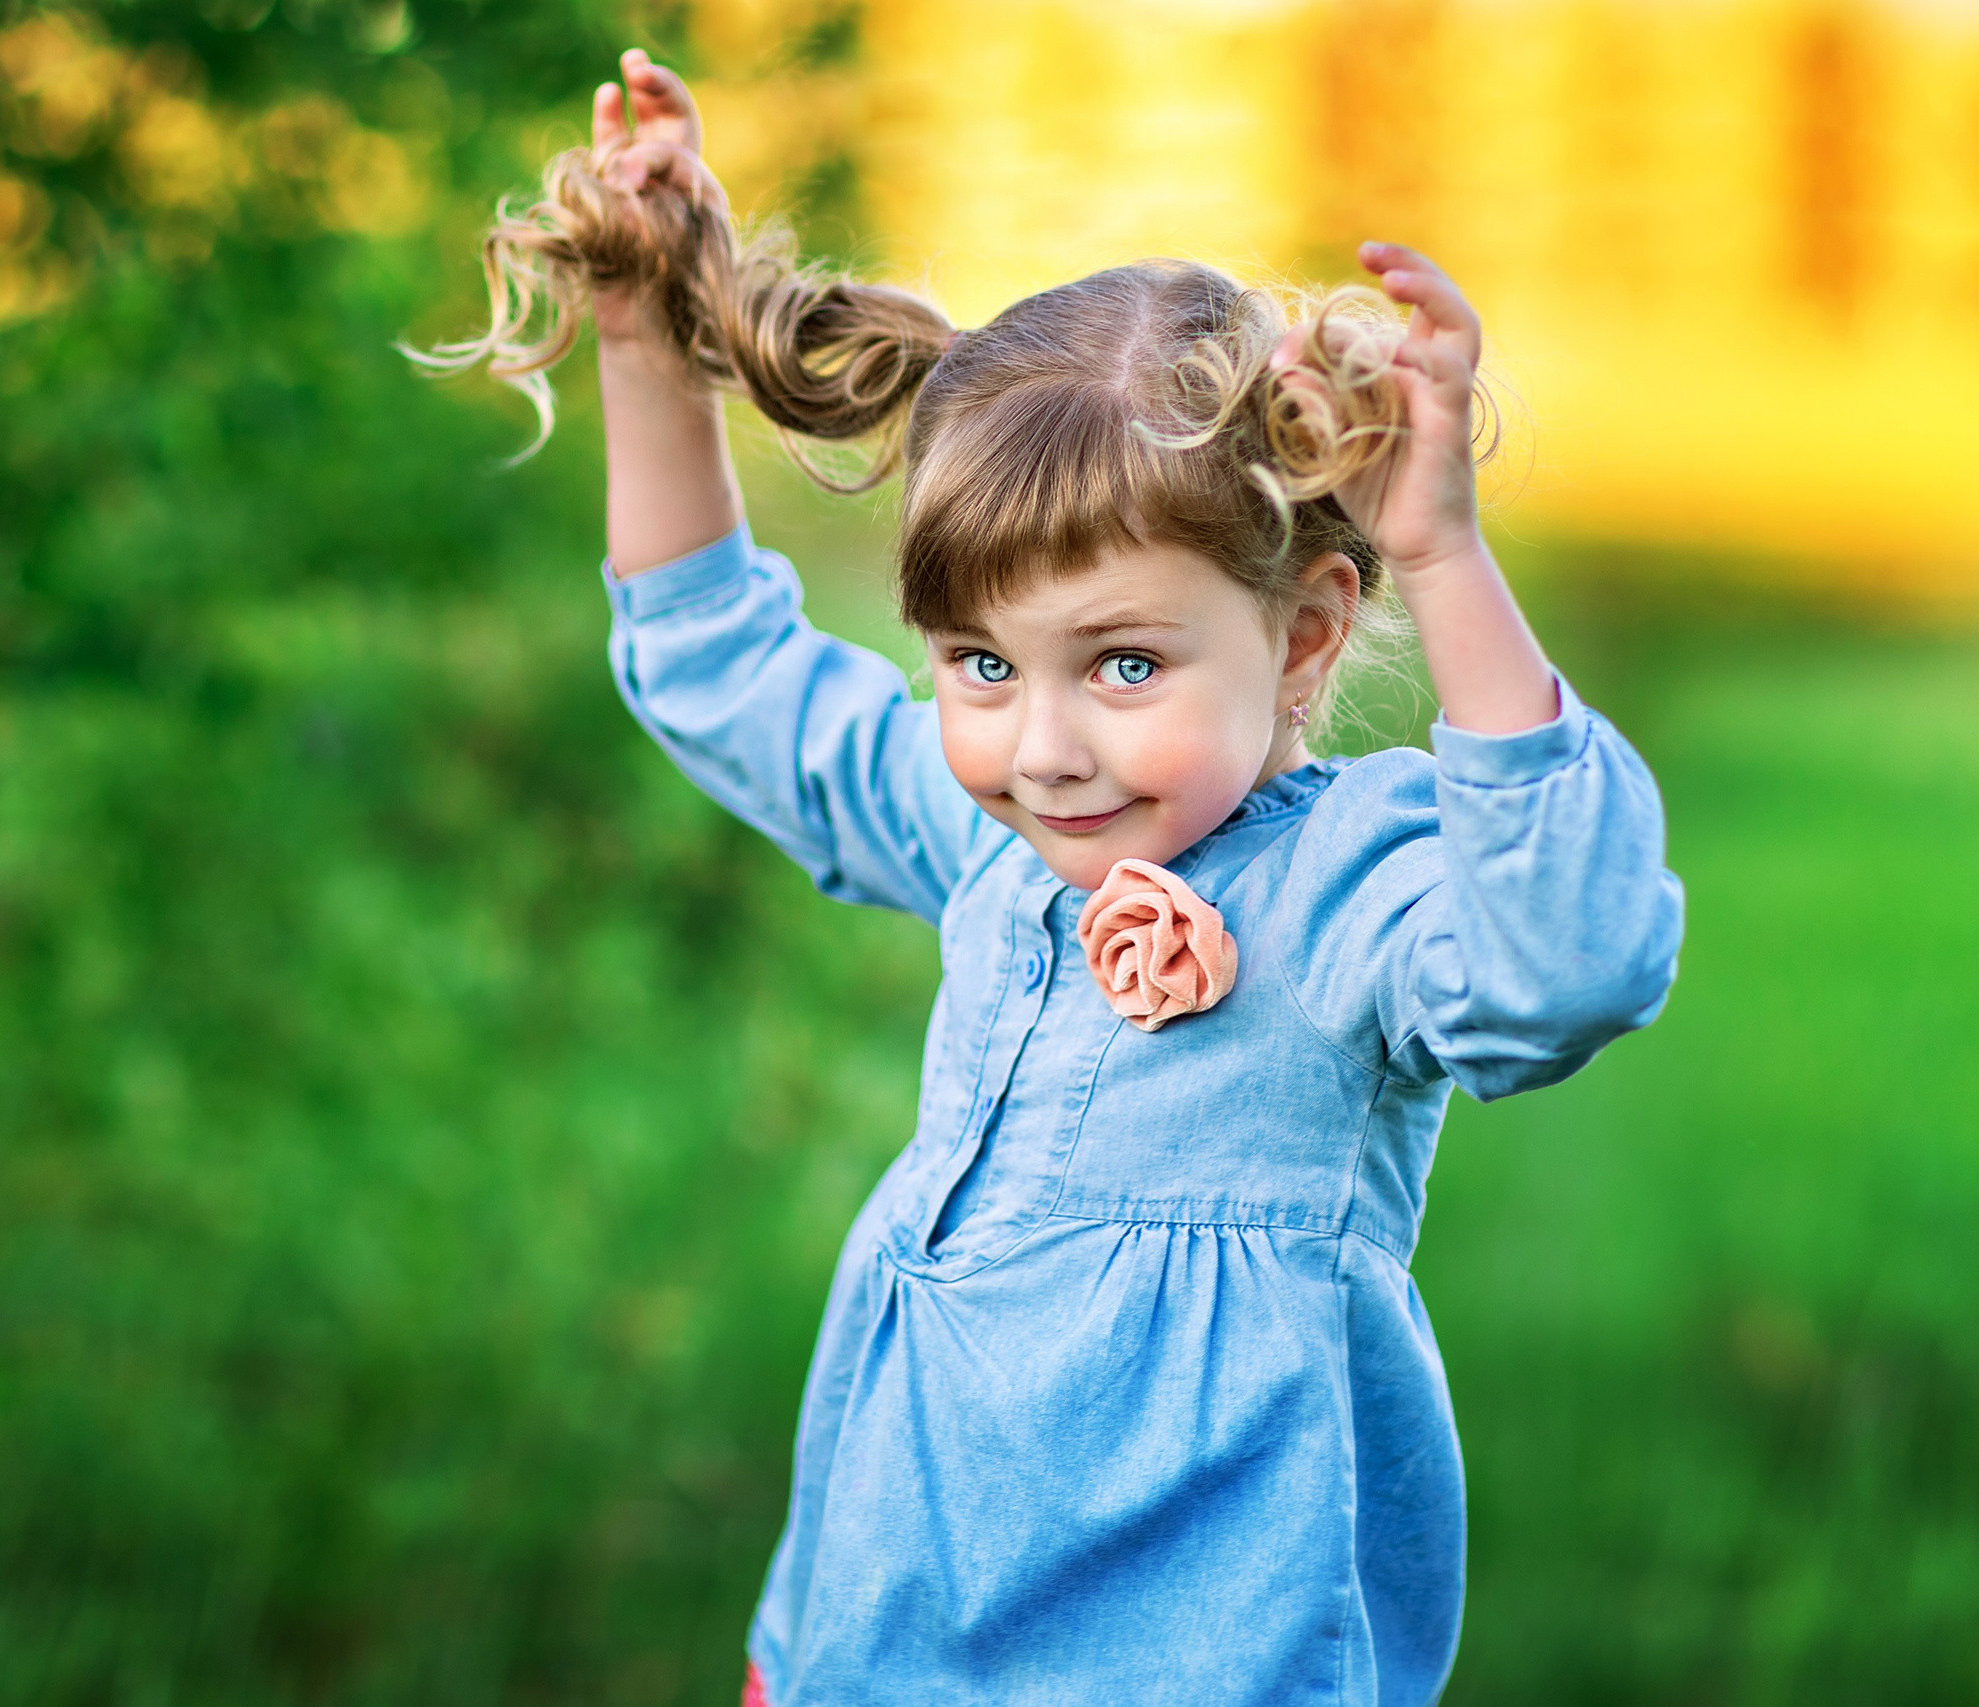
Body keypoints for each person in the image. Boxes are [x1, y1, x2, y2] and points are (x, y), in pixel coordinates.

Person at [421, 48, 1684, 1707]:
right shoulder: (996, 844)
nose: (1048, 748)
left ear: (1303, 635)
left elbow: (1564, 970)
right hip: (884, 1639)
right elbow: (722, 670)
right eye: (981, 666)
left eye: (1126, 666)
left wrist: (1441, 552)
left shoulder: (1353, 888)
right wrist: (653, 335)